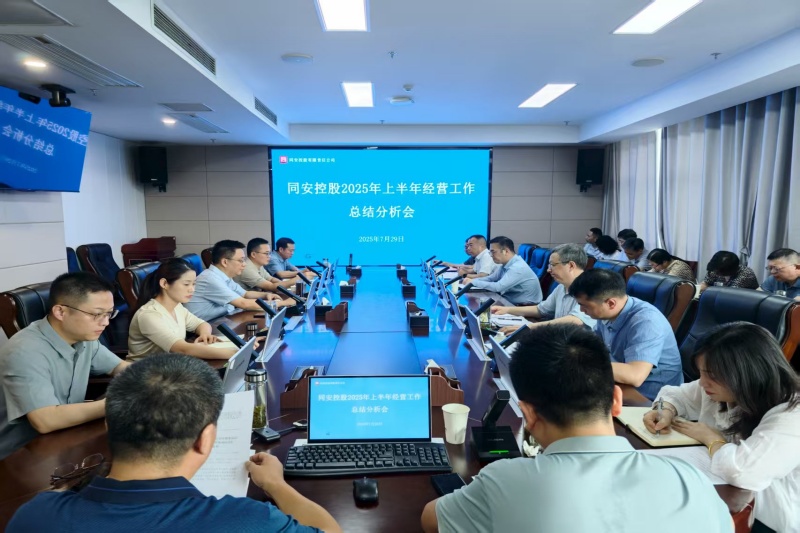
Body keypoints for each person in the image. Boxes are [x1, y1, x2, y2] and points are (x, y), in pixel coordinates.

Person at [421, 324, 732, 533]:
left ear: (528, 414)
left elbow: (431, 519)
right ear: (616, 400)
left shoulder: (505, 480)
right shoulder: (690, 479)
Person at [8, 354, 342, 533]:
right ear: (205, 439)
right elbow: (329, 530)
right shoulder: (248, 520)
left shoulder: (35, 516)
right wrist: (276, 485)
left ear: (110, 423)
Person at [644, 322, 799, 533]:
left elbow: (745, 472)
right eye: (701, 373)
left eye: (711, 375)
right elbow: (676, 394)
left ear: (748, 373)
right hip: (720, 496)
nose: (702, 383)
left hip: (768, 519)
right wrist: (665, 410)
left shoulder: (792, 414)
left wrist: (711, 438)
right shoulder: (721, 389)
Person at [0, 272, 129, 460]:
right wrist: (118, 403)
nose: (105, 322)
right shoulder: (24, 351)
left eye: (109, 313)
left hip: (65, 439)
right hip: (18, 456)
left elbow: (120, 367)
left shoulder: (84, 338)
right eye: (96, 314)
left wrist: (160, 376)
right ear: (60, 312)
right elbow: (45, 420)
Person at [568, 269, 683, 400]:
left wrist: (580, 364)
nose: (582, 310)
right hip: (622, 384)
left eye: (584, 305)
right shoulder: (607, 312)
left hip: (653, 397)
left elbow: (635, 375)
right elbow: (593, 346)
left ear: (611, 303)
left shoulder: (646, 321)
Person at [127, 258, 237, 361]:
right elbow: (182, 349)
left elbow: (201, 324)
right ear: (164, 284)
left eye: (194, 284)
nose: (192, 289)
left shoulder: (177, 306)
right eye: (186, 284)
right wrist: (234, 353)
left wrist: (205, 334)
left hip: (171, 365)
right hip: (145, 371)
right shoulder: (149, 315)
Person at [491, 243, 595, 333]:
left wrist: (530, 327)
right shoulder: (561, 287)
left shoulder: (591, 287)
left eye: (552, 265)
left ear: (571, 265)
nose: (548, 270)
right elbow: (540, 310)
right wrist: (506, 310)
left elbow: (576, 320)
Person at [185, 239, 282, 322]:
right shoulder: (210, 279)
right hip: (204, 328)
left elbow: (245, 294)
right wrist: (284, 303)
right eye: (241, 260)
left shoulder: (224, 276)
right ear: (225, 262)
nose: (244, 264)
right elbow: (243, 303)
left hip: (221, 320)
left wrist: (266, 295)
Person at [462, 236, 542, 305]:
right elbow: (491, 278)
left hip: (524, 307)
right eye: (490, 252)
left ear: (506, 251)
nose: (491, 256)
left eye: (493, 252)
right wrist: (472, 281)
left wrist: (473, 282)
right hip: (508, 300)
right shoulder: (505, 264)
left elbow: (498, 287)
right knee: (476, 304)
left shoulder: (517, 267)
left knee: (478, 308)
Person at [236, 237, 301, 294]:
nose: (269, 256)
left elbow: (271, 279)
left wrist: (282, 284)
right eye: (266, 253)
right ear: (253, 254)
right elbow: (271, 287)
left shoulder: (259, 265)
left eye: (269, 253)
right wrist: (299, 278)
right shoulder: (247, 269)